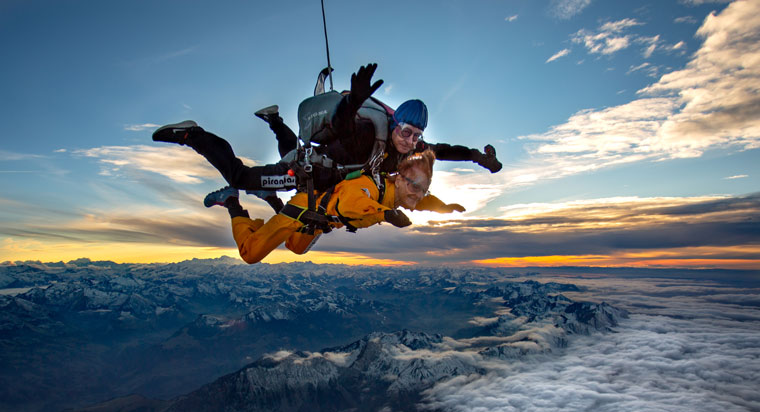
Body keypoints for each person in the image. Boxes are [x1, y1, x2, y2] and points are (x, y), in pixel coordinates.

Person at [152, 64, 502, 205]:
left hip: (317, 172)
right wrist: (354, 101)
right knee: (243, 177)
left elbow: (446, 149)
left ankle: (275, 121)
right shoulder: (369, 134)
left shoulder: (411, 149)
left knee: (290, 152)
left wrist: (478, 158)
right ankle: (194, 136)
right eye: (407, 132)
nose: (411, 142)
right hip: (309, 172)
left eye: (417, 136)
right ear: (396, 125)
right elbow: (344, 126)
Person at [205, 149, 460, 264]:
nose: (417, 194)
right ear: (398, 177)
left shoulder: (401, 195)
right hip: (306, 207)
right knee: (250, 254)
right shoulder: (373, 188)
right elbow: (351, 203)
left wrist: (444, 207)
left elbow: (423, 201)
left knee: (296, 247)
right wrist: (386, 214)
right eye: (414, 185)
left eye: (422, 188)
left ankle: (270, 198)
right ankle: (232, 202)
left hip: (319, 220)